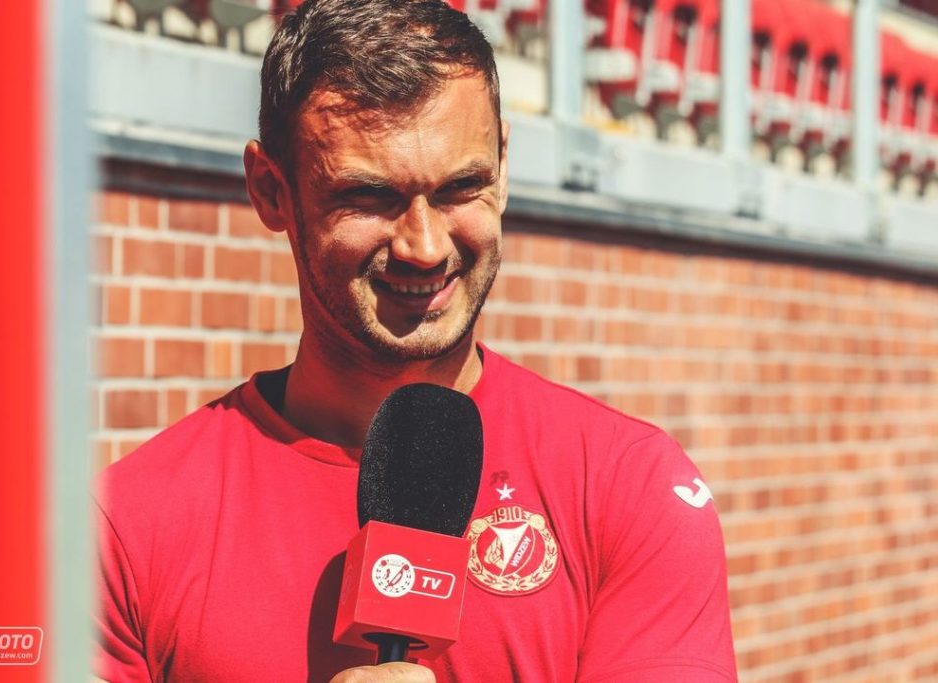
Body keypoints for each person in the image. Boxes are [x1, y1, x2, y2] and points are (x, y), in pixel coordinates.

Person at [94, 0, 737, 681]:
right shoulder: (128, 526)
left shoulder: (628, 487)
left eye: (462, 187)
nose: (424, 246)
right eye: (370, 197)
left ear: (503, 168)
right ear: (271, 191)